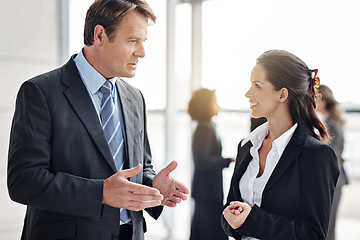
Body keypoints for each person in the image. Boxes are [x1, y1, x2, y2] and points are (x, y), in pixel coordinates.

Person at [7, 1, 189, 240]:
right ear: (100, 35)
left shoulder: (135, 98)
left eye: (144, 42)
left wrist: (153, 186)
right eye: (133, 41)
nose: (142, 52)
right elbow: (24, 181)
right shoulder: (41, 92)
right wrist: (101, 193)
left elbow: (137, 169)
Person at [221, 50, 340, 240]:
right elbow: (228, 214)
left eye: (257, 86)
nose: (248, 93)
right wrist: (233, 222)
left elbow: (312, 235)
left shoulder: (316, 155)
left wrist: (252, 220)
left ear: (282, 94)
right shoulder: (246, 146)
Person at [188, 88, 234, 240]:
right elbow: (202, 161)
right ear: (206, 105)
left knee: (205, 231)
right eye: (214, 102)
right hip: (206, 191)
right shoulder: (204, 128)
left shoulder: (209, 126)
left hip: (209, 190)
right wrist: (229, 160)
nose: (217, 105)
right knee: (212, 231)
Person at [316, 84, 349, 240]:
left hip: (333, 181)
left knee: (328, 226)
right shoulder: (328, 121)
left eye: (314, 98)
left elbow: (332, 156)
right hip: (331, 180)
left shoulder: (332, 125)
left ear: (322, 100)